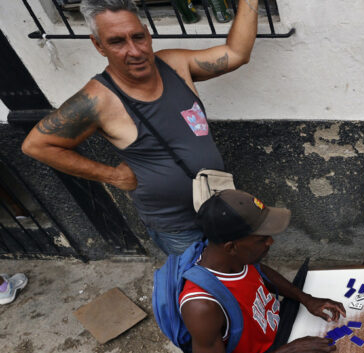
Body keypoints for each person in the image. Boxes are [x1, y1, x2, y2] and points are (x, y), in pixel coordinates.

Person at [22, 0, 262, 255]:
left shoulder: (174, 64)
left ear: (148, 34)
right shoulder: (98, 100)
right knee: (205, 286)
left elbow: (236, 54)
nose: (135, 51)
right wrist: (111, 175)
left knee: (240, 267)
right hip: (179, 229)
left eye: (138, 37)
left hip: (220, 206)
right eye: (117, 42)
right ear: (98, 45)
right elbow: (36, 145)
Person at [179, 190, 345, 353]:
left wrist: (306, 298)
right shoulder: (202, 307)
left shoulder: (235, 258)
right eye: (262, 239)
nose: (270, 242)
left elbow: (259, 272)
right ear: (231, 247)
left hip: (282, 332)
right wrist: (290, 351)